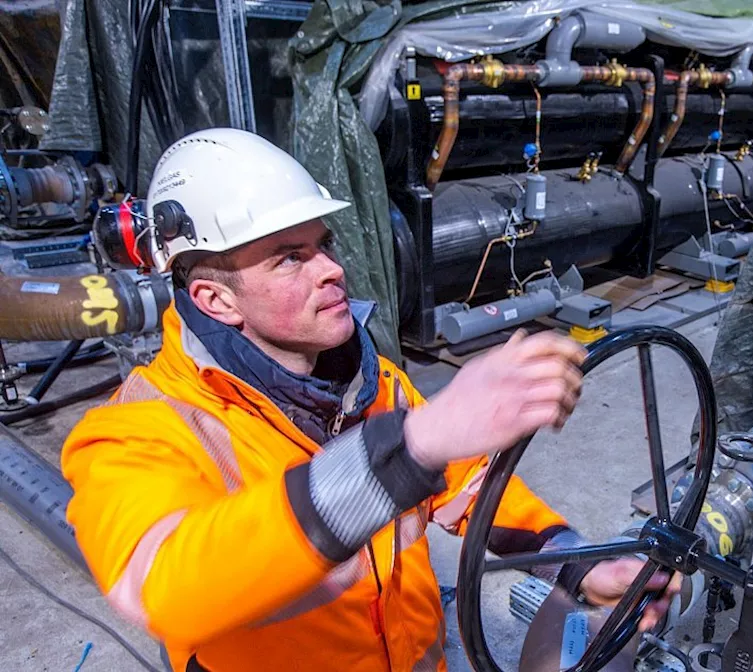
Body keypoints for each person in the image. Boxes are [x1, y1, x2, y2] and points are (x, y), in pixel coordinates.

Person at [62, 128, 677, 671]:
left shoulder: (369, 380)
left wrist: (577, 562)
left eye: (324, 245)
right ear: (215, 300)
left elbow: (468, 486)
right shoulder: (135, 430)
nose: (330, 269)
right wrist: (413, 445)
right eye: (289, 259)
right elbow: (172, 591)